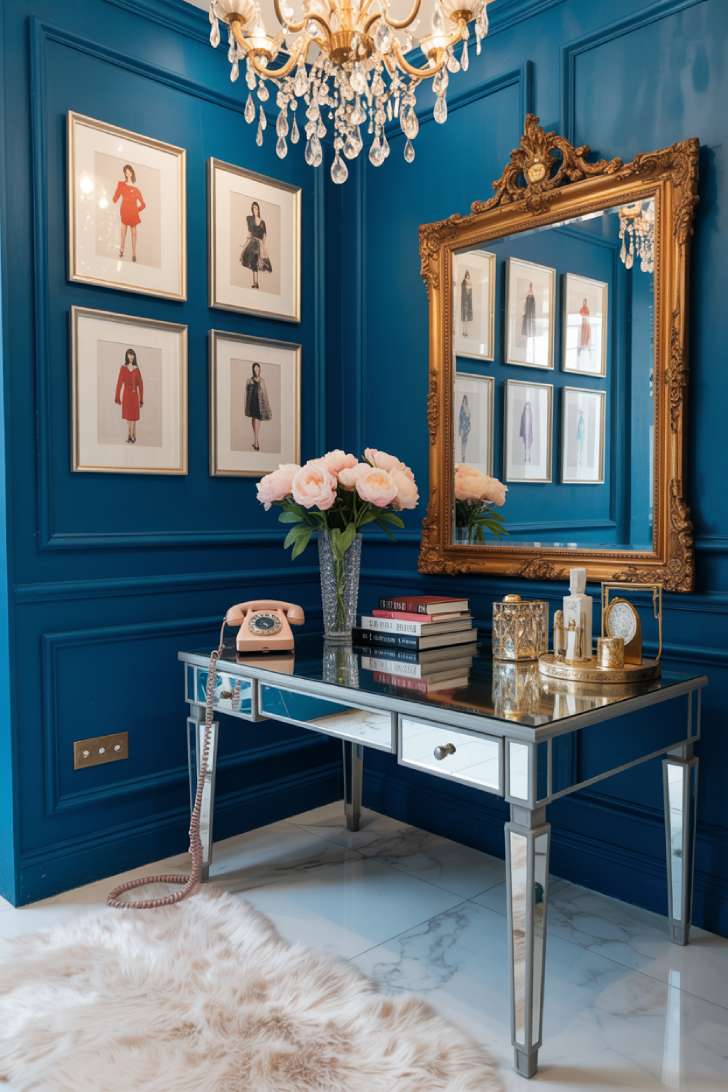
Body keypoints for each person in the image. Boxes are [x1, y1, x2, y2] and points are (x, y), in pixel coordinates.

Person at [113, 164, 146, 263]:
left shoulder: (136, 189)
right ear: (125, 173)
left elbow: (143, 204)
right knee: (123, 232)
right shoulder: (121, 184)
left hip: (133, 213)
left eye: (129, 171)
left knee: (134, 233)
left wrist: (136, 210)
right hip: (124, 211)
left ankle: (134, 253)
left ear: (131, 173)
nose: (127, 173)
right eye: (125, 172)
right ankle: (121, 250)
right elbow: (116, 197)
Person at [114, 348, 143, 444]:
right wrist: (117, 396)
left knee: (133, 416)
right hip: (126, 395)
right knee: (128, 416)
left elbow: (141, 384)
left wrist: (141, 399)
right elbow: (119, 382)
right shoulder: (123, 368)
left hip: (134, 395)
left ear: (134, 356)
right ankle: (130, 434)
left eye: (132, 355)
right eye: (129, 355)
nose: (131, 356)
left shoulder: (136, 369)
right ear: (126, 356)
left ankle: (132, 434)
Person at [241, 201, 272, 289]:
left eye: (256, 208)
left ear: (258, 209)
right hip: (252, 243)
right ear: (252, 209)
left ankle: (256, 283)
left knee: (259, 262)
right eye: (253, 208)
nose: (255, 210)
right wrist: (244, 244)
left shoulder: (262, 222)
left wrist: (264, 248)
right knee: (253, 263)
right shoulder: (250, 219)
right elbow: (250, 233)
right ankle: (255, 283)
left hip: (259, 244)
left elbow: (264, 236)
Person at [244, 362, 272, 451]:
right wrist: (246, 405)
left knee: (257, 419)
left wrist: (266, 406)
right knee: (254, 419)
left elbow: (265, 393)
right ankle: (256, 441)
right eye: (255, 369)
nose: (256, 370)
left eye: (258, 369)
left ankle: (256, 442)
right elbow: (246, 393)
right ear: (253, 370)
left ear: (260, 370)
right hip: (252, 403)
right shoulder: (249, 380)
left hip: (259, 403)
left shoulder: (262, 380)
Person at [519, 399, 534, 464]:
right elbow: (522, 424)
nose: (527, 407)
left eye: (528, 406)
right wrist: (521, 433)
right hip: (525, 432)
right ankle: (525, 457)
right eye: (526, 406)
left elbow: (532, 425)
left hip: (529, 433)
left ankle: (529, 457)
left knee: (529, 445)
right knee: (525, 445)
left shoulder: (531, 414)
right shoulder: (523, 414)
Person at [458, 394, 471, 462]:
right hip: (463, 427)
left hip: (467, 428)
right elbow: (460, 420)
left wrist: (469, 427)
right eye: (464, 400)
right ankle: (462, 456)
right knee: (462, 442)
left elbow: (469, 419)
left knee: (465, 442)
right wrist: (460, 430)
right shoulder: (462, 409)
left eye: (465, 400)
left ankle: (464, 455)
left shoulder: (468, 408)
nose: (464, 401)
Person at [460, 271, 473, 337]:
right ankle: (464, 332)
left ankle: (466, 332)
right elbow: (465, 293)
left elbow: (469, 295)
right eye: (467, 275)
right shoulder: (464, 282)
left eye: (468, 275)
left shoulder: (469, 283)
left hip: (468, 305)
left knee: (467, 320)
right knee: (464, 320)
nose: (468, 276)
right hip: (465, 304)